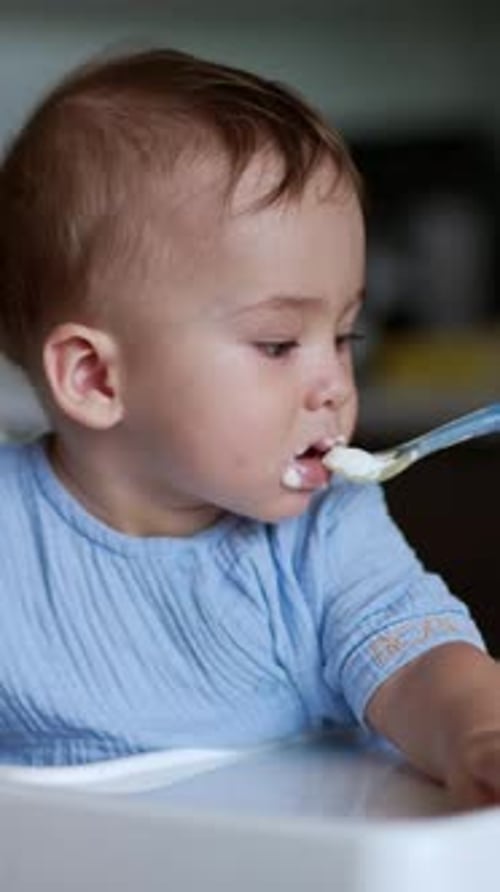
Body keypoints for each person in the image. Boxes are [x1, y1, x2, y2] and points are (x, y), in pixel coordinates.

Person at [0, 46, 498, 809]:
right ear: (98, 378)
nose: (334, 384)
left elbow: (421, 658)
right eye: (277, 345)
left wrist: (477, 733)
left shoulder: (326, 532)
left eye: (344, 336)